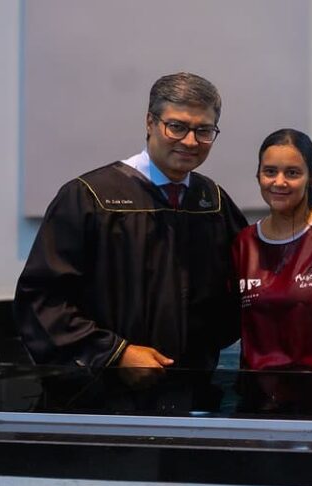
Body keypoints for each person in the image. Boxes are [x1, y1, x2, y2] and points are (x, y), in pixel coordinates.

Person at [14, 72, 248, 370]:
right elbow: (42, 300)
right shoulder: (90, 197)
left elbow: (242, 290)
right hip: (105, 388)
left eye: (204, 130)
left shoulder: (213, 202)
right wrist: (115, 354)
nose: (190, 141)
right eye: (177, 127)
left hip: (195, 385)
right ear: (150, 122)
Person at [232, 129, 312, 414]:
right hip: (259, 405)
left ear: (311, 177)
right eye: (270, 172)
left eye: (292, 173)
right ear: (258, 176)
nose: (279, 182)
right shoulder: (244, 242)